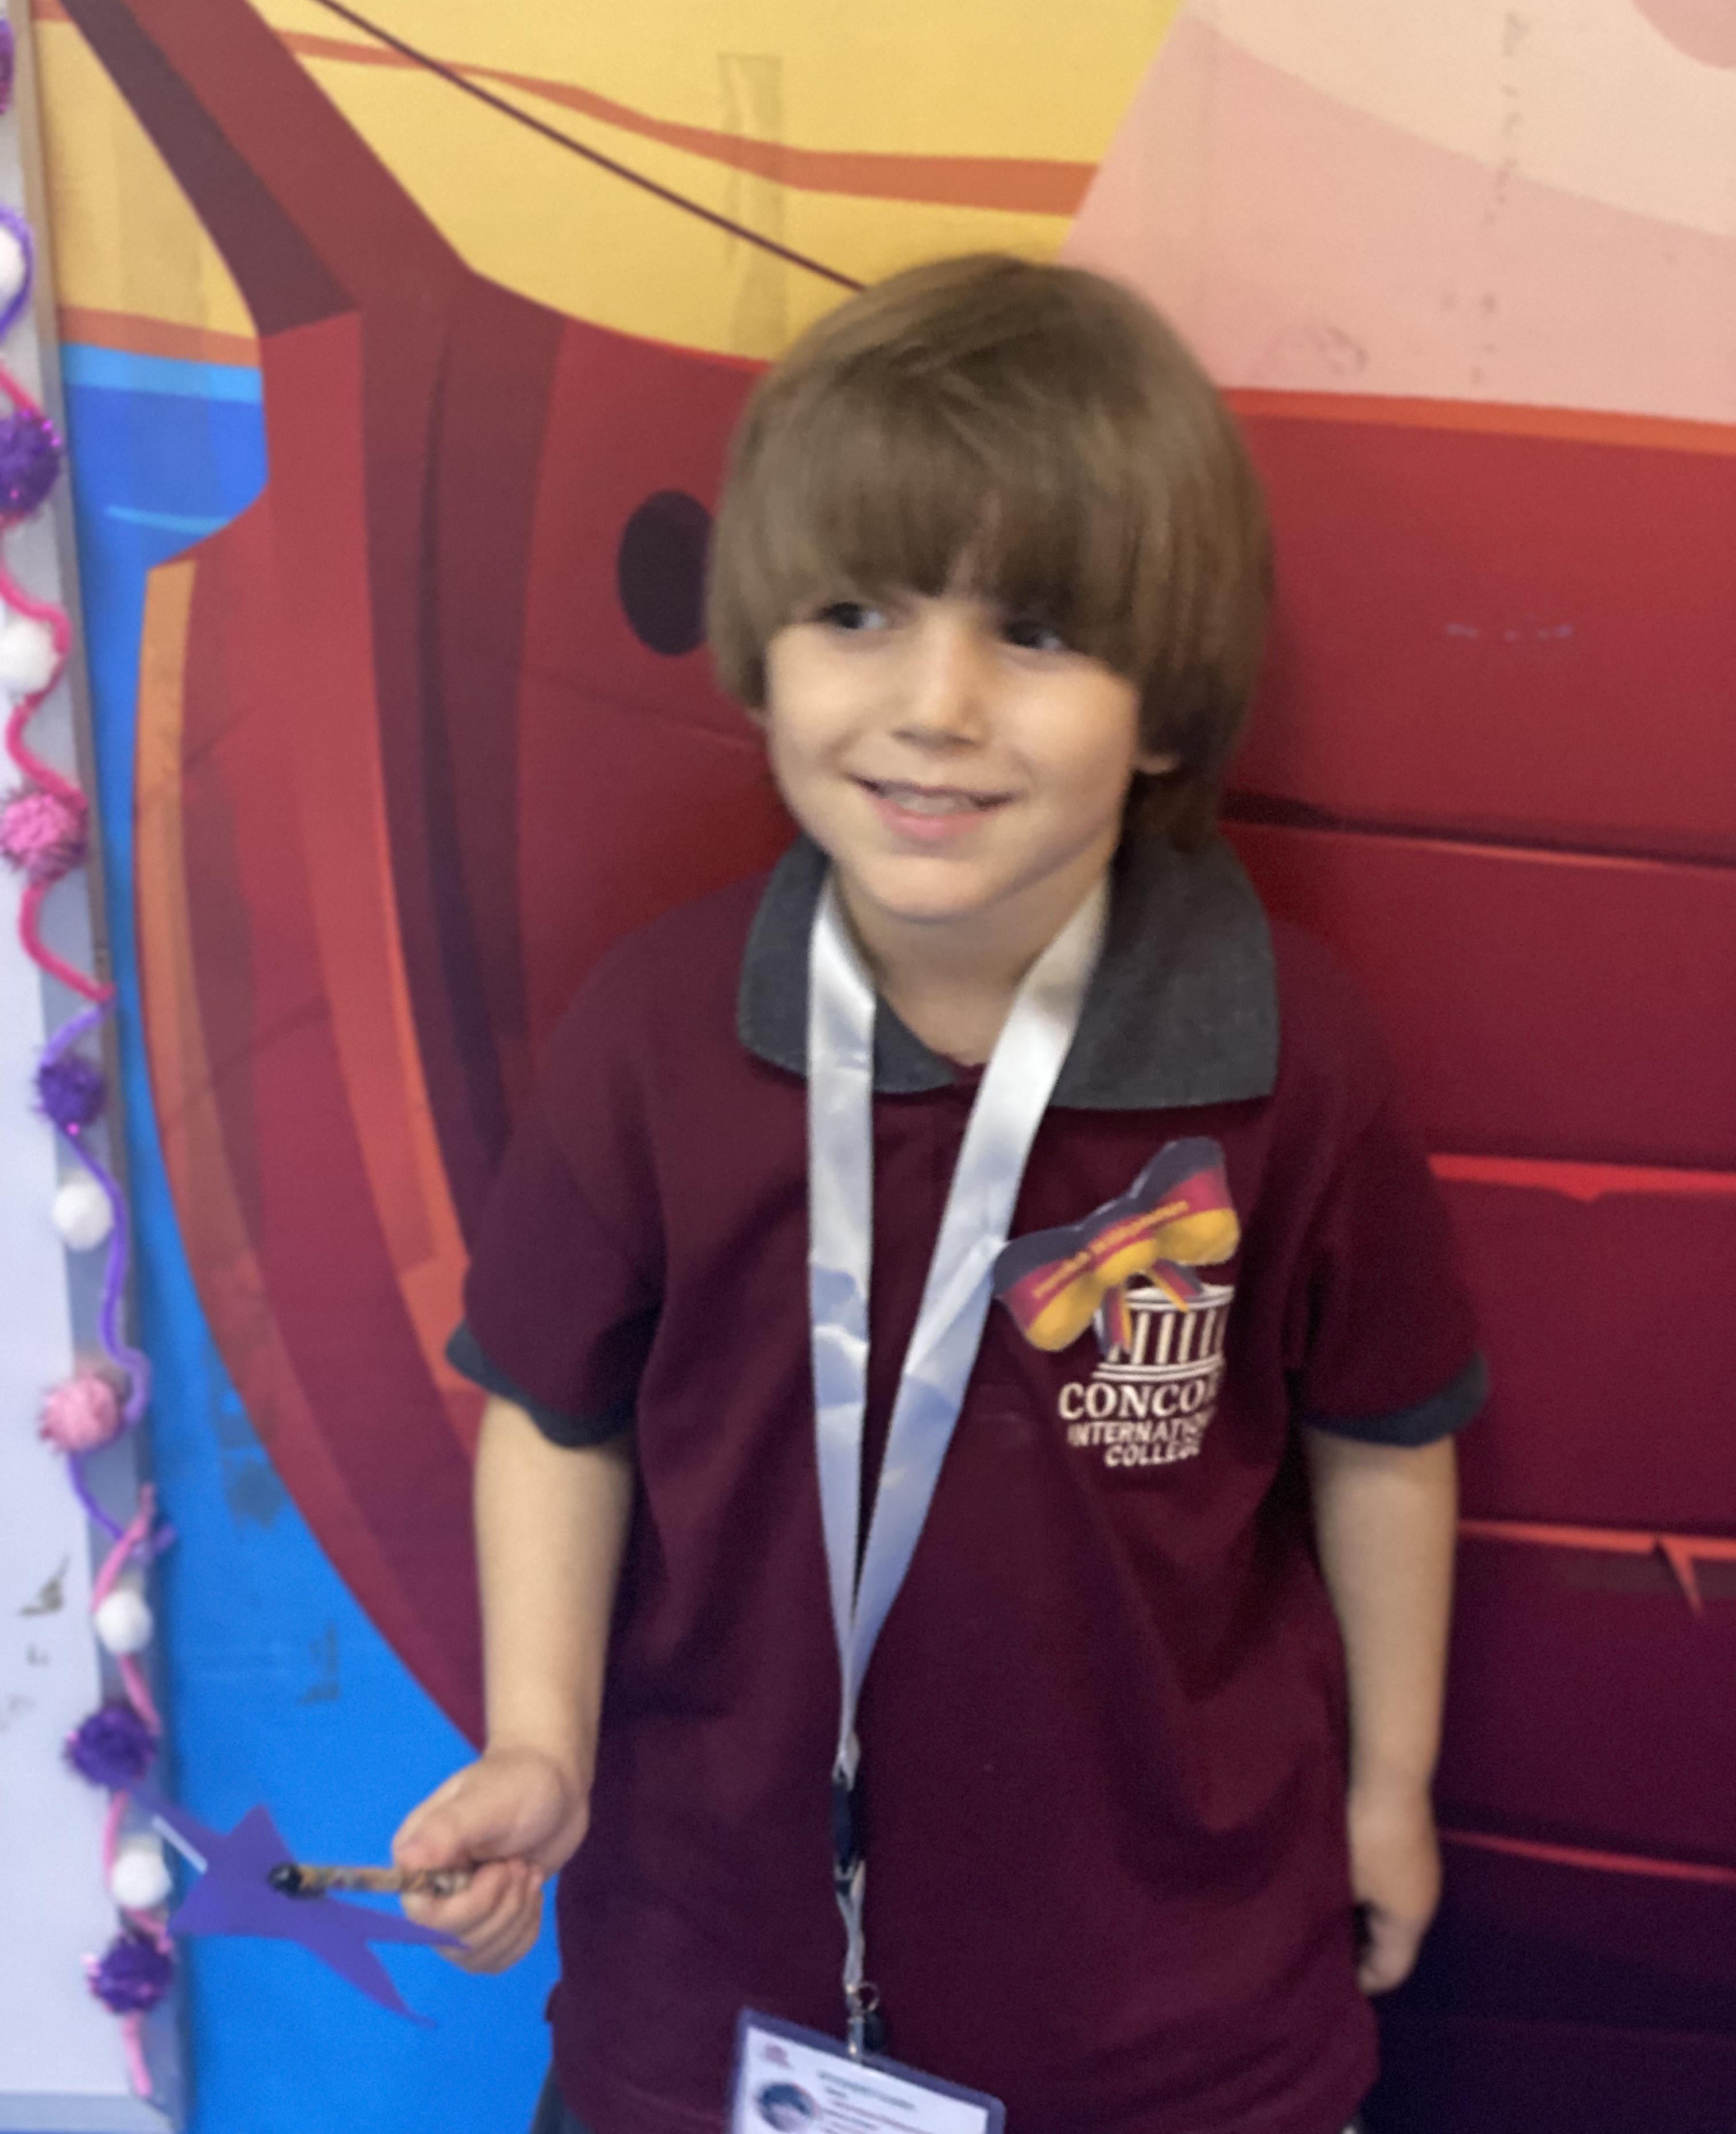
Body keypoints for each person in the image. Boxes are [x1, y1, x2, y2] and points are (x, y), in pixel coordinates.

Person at [393, 254, 1483, 2134]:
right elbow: (558, 1416)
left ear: (1164, 708)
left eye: (1037, 633)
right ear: (763, 651)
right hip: (712, 2001)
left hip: (1188, 2026)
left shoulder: (1293, 1050)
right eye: (857, 613)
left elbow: (1384, 1437)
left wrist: (1390, 1790)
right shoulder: (653, 1032)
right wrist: (539, 1741)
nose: (937, 705)